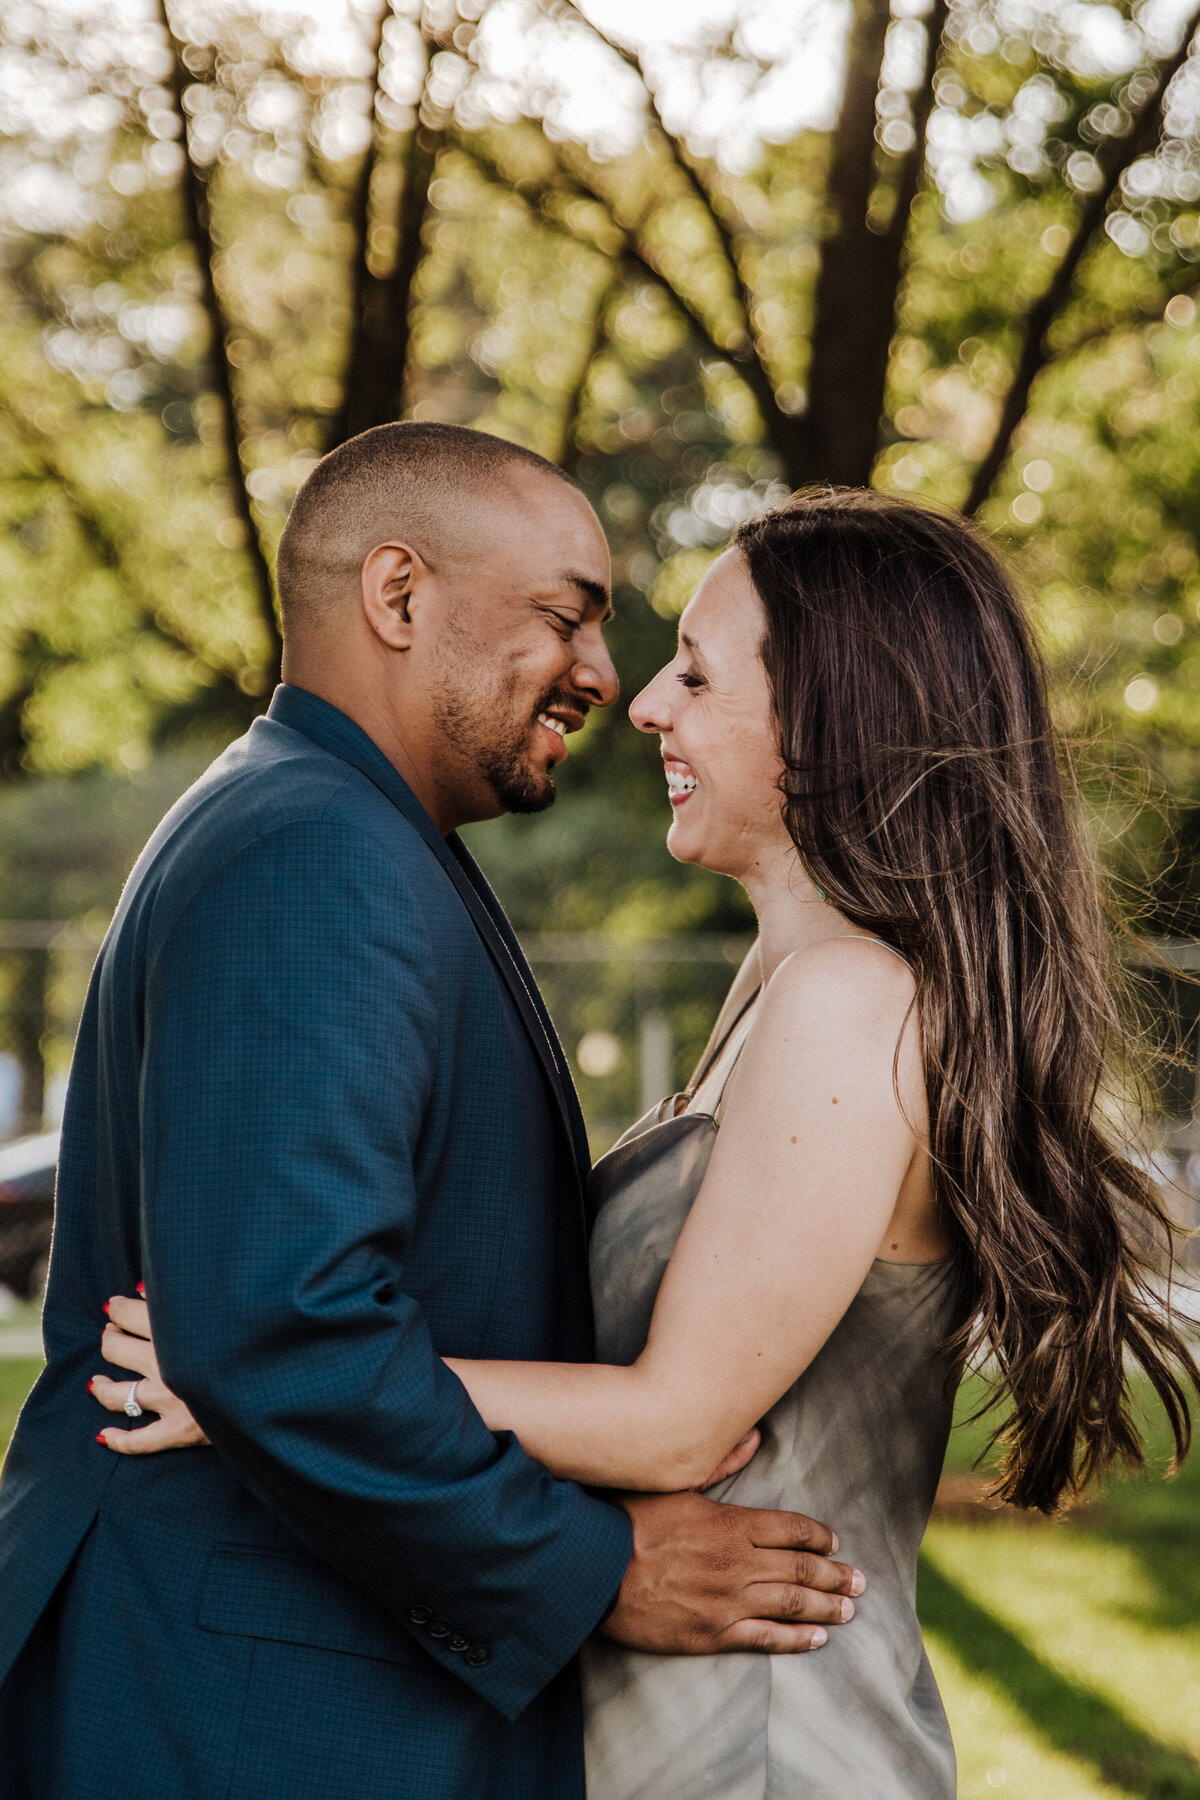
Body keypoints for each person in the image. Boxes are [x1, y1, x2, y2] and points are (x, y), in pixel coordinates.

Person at [96, 485, 1200, 1799]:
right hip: (665, 1713)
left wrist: (252, 1379)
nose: (646, 705)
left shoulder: (856, 1003)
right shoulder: (785, 988)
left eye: (695, 671)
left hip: (764, 1737)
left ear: (829, 717)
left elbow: (679, 1426)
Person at [0, 427, 862, 1800]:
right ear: (398, 597)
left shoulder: (359, 833)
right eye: (567, 614)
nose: (603, 674)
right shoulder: (315, 850)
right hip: (252, 1714)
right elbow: (288, 1332)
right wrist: (596, 1571)